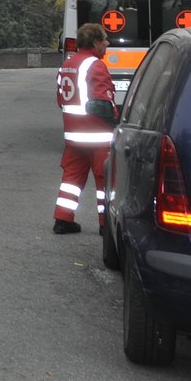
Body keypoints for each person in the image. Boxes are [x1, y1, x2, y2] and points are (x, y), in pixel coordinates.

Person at [52, 22, 118, 235]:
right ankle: (105, 222)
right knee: (104, 180)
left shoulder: (68, 64)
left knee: (71, 179)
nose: (107, 43)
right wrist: (117, 119)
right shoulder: (96, 65)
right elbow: (102, 103)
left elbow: (61, 99)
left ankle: (63, 219)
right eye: (105, 39)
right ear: (96, 42)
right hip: (97, 135)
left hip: (74, 134)